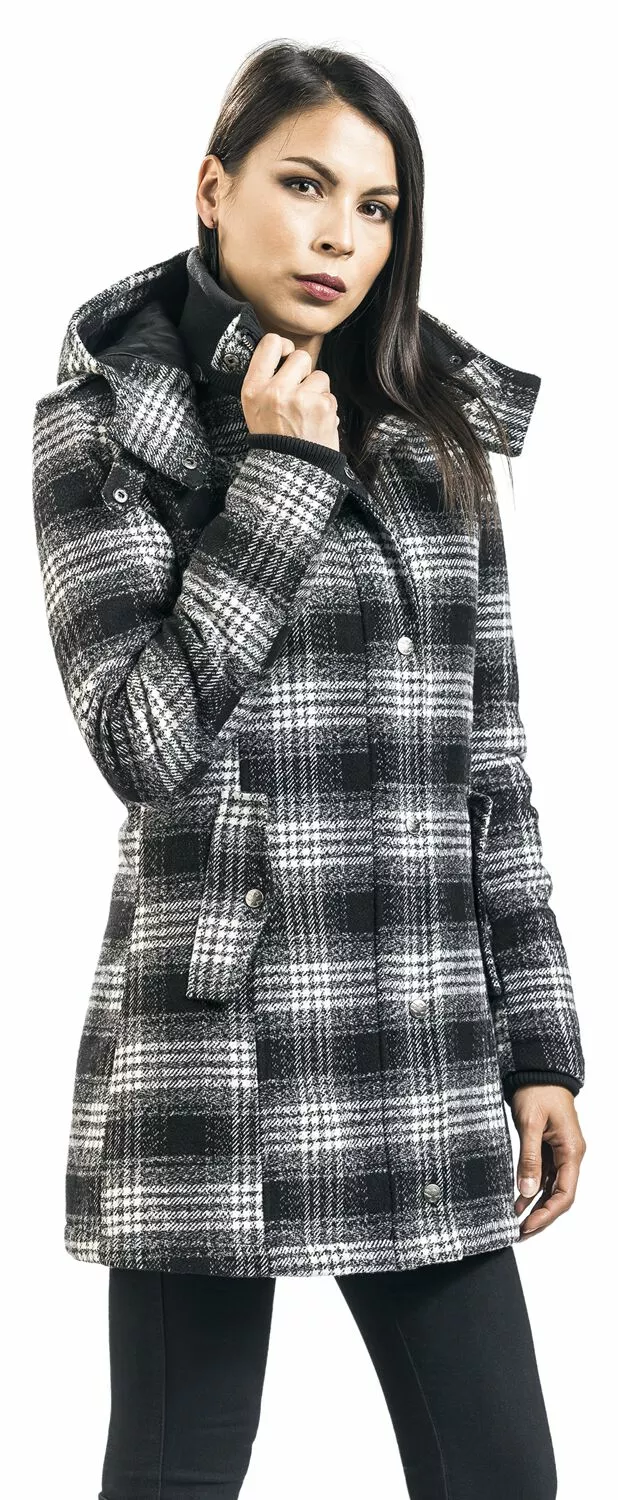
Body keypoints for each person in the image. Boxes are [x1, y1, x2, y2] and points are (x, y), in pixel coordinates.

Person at [32, 39, 586, 1500]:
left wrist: (538, 1044)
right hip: (213, 1049)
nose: (341, 233)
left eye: (377, 206)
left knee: (502, 1474)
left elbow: (494, 767)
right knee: (175, 1475)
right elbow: (140, 741)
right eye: (303, 184)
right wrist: (280, 473)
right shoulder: (104, 426)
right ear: (213, 189)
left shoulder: (434, 434)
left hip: (425, 1028)